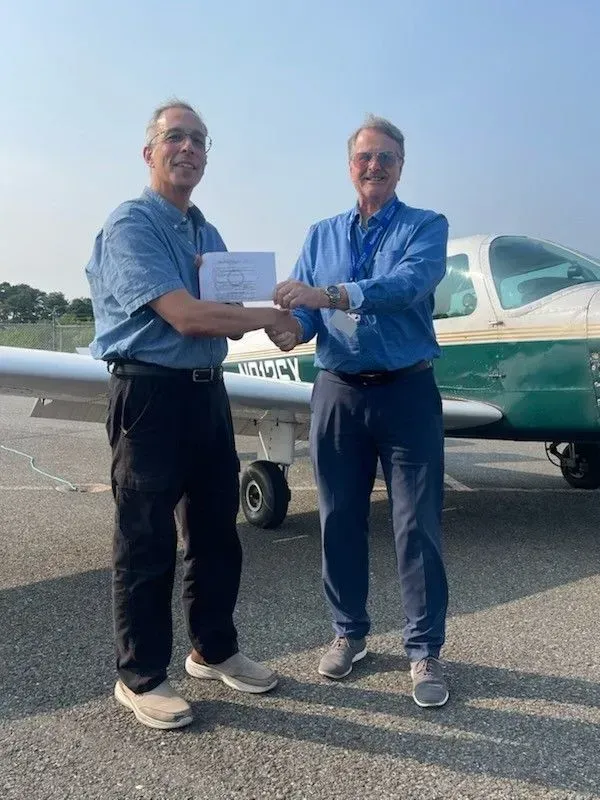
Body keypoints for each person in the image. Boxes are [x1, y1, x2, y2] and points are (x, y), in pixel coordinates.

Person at [86, 100, 290, 729]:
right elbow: (186, 315)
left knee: (215, 531)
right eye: (175, 137)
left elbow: (218, 324)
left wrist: (267, 316)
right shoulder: (132, 225)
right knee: (146, 538)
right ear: (149, 151)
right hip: (149, 395)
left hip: (206, 392)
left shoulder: (206, 232)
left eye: (200, 140)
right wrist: (266, 318)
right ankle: (141, 675)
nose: (189, 149)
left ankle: (214, 648)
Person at [268, 115, 450, 707]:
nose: (375, 167)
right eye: (365, 157)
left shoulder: (427, 226)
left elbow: (406, 286)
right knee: (338, 517)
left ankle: (423, 651)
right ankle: (349, 633)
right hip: (338, 391)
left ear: (401, 167)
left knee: (416, 524)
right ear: (350, 165)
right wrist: (287, 327)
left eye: (387, 158)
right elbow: (311, 318)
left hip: (407, 391)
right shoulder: (320, 235)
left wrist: (331, 294)